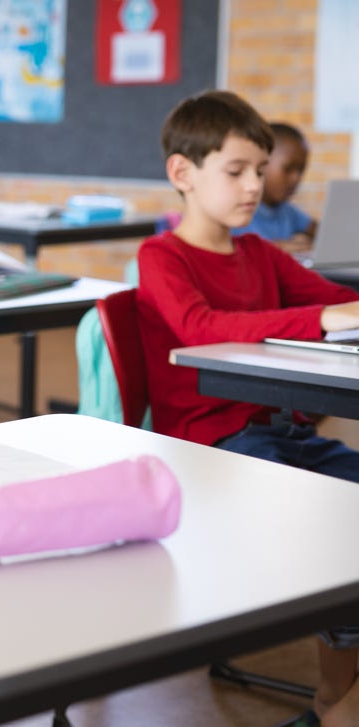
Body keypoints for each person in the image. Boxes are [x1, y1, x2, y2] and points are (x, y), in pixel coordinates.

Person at [137, 89, 359, 727]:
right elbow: (199, 325)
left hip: (278, 433)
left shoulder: (260, 253)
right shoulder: (162, 256)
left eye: (260, 171)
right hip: (212, 452)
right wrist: (321, 316)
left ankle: (333, 699)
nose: (255, 186)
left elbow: (337, 297)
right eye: (236, 171)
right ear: (183, 174)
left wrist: (336, 308)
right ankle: (334, 701)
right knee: (339, 520)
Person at [232, 121, 317, 254]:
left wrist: (308, 244)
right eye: (288, 169)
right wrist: (274, 250)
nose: (296, 178)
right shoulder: (236, 210)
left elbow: (321, 232)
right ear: (262, 164)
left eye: (301, 170)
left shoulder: (287, 210)